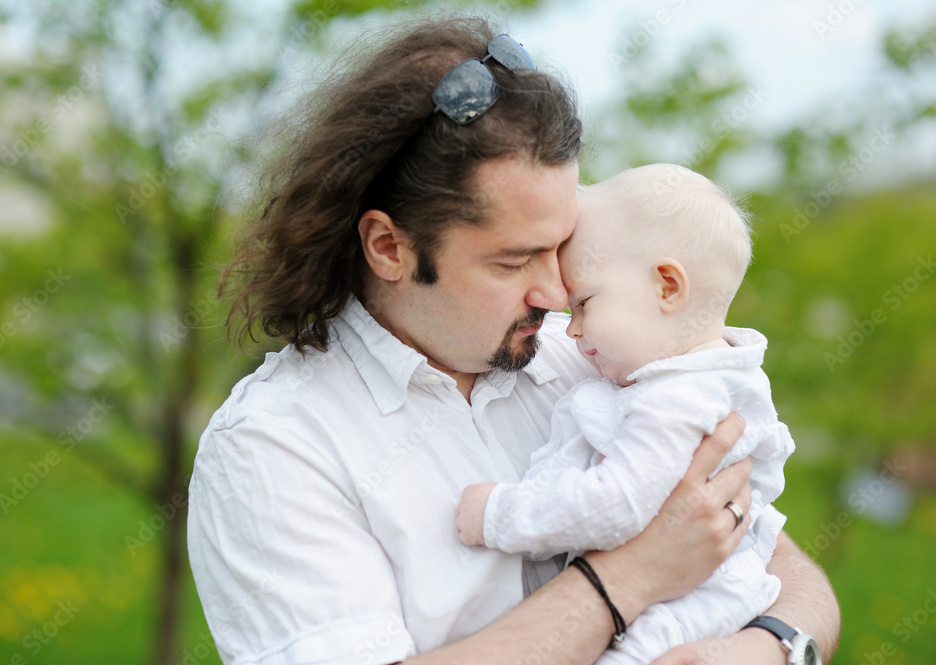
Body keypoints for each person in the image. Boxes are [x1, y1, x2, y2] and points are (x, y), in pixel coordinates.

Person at [186, 15, 839, 665]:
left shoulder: (592, 360)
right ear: (389, 246)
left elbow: (780, 562)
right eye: (511, 261)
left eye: (561, 247)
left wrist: (773, 647)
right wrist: (624, 580)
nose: (557, 293)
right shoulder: (274, 445)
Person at [456, 164, 796, 664]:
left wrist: (498, 515)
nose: (569, 330)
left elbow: (617, 505)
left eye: (585, 303)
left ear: (667, 287)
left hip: (692, 604)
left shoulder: (680, 399)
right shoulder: (695, 374)